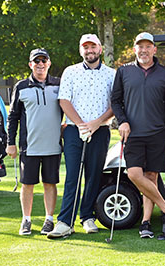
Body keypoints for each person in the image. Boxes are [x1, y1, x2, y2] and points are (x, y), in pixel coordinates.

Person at [47, 34, 115, 239]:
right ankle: (65, 222)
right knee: (73, 176)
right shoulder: (71, 71)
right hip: (73, 130)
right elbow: (64, 101)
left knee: (94, 175)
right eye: (85, 47)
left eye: (92, 46)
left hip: (101, 130)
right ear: (80, 50)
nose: (89, 50)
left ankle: (87, 216)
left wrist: (95, 124)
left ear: (100, 49)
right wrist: (81, 125)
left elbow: (115, 105)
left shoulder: (112, 74)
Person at [111, 32, 165, 239]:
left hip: (158, 134)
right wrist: (122, 120)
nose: (144, 50)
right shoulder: (123, 71)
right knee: (134, 174)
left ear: (154, 50)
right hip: (133, 134)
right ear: (134, 49)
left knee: (151, 177)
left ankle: (146, 223)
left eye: (148, 46)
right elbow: (116, 100)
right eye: (140, 46)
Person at [7, 48, 62, 236]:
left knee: (50, 183)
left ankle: (49, 219)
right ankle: (26, 220)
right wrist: (10, 143)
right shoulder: (21, 87)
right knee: (27, 184)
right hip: (29, 146)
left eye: (43, 60)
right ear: (30, 64)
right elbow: (13, 117)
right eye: (36, 61)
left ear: (49, 63)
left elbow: (67, 110)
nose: (40, 64)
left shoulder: (58, 85)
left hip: (53, 145)